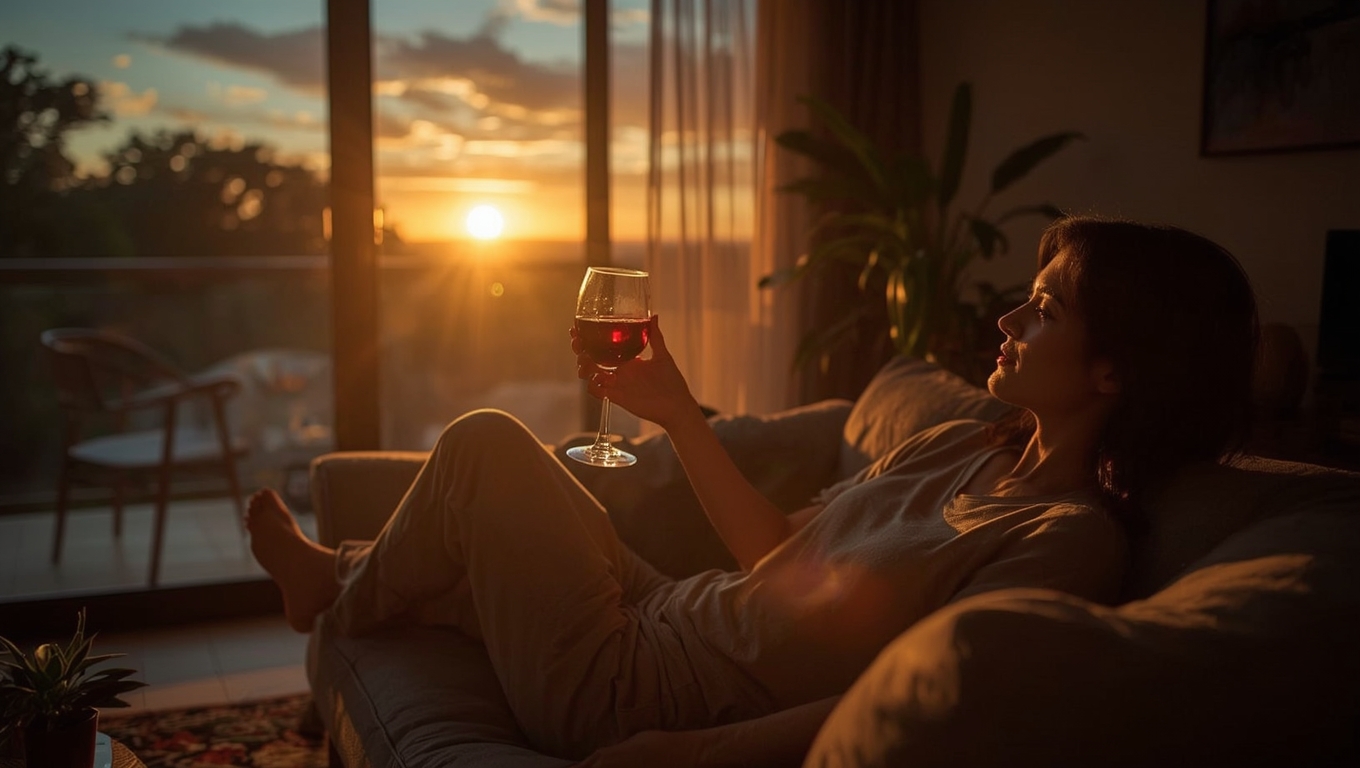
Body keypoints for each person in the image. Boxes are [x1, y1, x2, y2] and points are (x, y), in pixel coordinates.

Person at [246, 215, 1259, 767]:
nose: (1006, 320)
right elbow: (782, 561)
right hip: (662, 610)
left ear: (1116, 370)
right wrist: (679, 412)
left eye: (1041, 311)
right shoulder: (964, 443)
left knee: (482, 447)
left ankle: (334, 594)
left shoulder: (1065, 543)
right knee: (514, 486)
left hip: (640, 689)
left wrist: (684, 752)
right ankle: (339, 576)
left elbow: (903, 703)